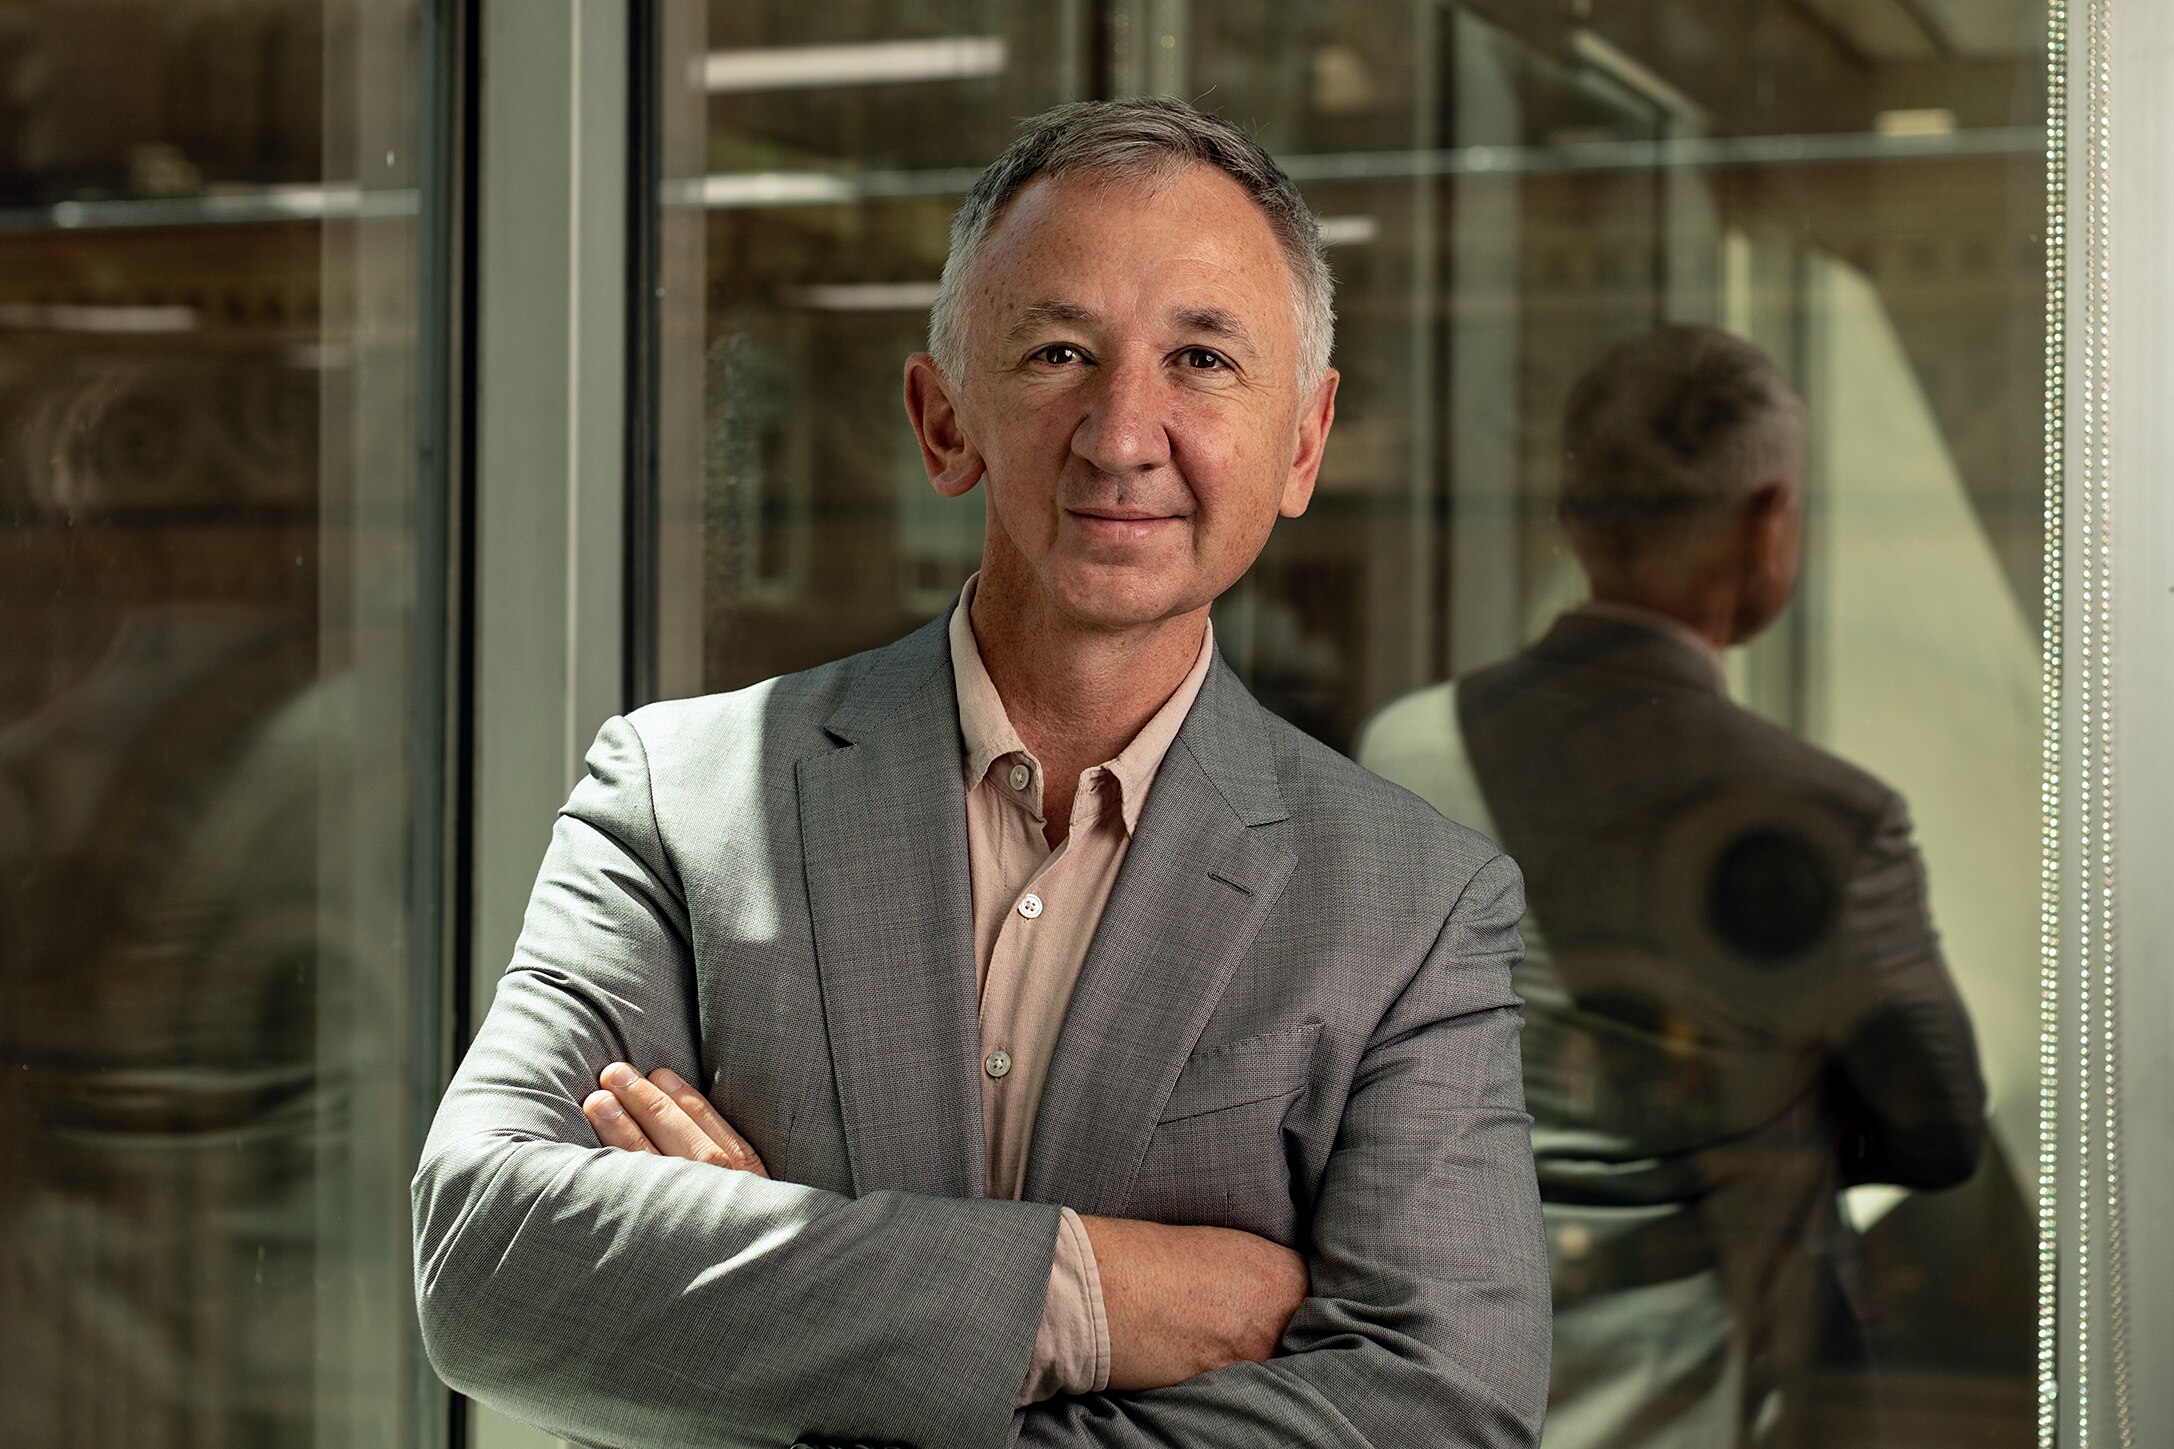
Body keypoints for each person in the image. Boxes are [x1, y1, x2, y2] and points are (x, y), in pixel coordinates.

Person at [412, 98, 1550, 1449]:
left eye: (1199, 358)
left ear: (1299, 444)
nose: (1122, 433)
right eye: (1058, 351)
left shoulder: (1418, 906)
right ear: (943, 420)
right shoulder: (677, 797)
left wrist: (754, 1295)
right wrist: (1094, 1294)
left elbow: (1443, 1412)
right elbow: (485, 1262)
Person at [1359, 325, 1985, 1447]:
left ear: (1569, 519)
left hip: (1441, 1382)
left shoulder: (1400, 753)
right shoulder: (1824, 813)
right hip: (1702, 1401)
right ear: (1765, 524)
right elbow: (1932, 1129)